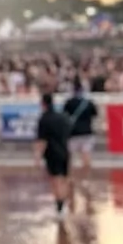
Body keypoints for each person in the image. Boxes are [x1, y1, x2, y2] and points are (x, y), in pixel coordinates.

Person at [35, 91, 72, 220]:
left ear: (43, 104)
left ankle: (59, 207)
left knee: (55, 181)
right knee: (64, 179)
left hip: (52, 153)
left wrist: (37, 156)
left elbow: (42, 140)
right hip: (65, 151)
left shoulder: (44, 119)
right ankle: (64, 204)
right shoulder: (62, 117)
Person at [63, 79, 98, 180]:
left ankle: (70, 178)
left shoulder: (69, 103)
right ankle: (86, 179)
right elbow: (95, 115)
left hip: (73, 133)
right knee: (86, 156)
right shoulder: (89, 103)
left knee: (70, 157)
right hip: (87, 132)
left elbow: (64, 116)